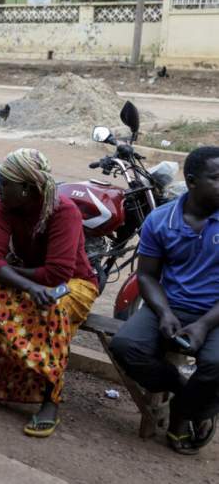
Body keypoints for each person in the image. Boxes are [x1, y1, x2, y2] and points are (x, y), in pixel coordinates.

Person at [0, 148, 97, 439]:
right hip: (29, 277)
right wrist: (24, 283)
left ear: (26, 188)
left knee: (51, 308)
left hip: (75, 283)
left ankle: (50, 399)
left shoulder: (64, 211)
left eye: (6, 184)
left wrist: (9, 273)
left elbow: (57, 273)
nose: (0, 190)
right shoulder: (7, 206)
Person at [109, 147, 219, 455]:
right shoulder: (160, 220)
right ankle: (183, 389)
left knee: (216, 365)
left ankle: (184, 414)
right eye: (216, 178)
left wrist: (203, 325)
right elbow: (147, 276)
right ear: (192, 181)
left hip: (215, 313)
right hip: (172, 306)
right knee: (126, 346)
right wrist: (164, 313)